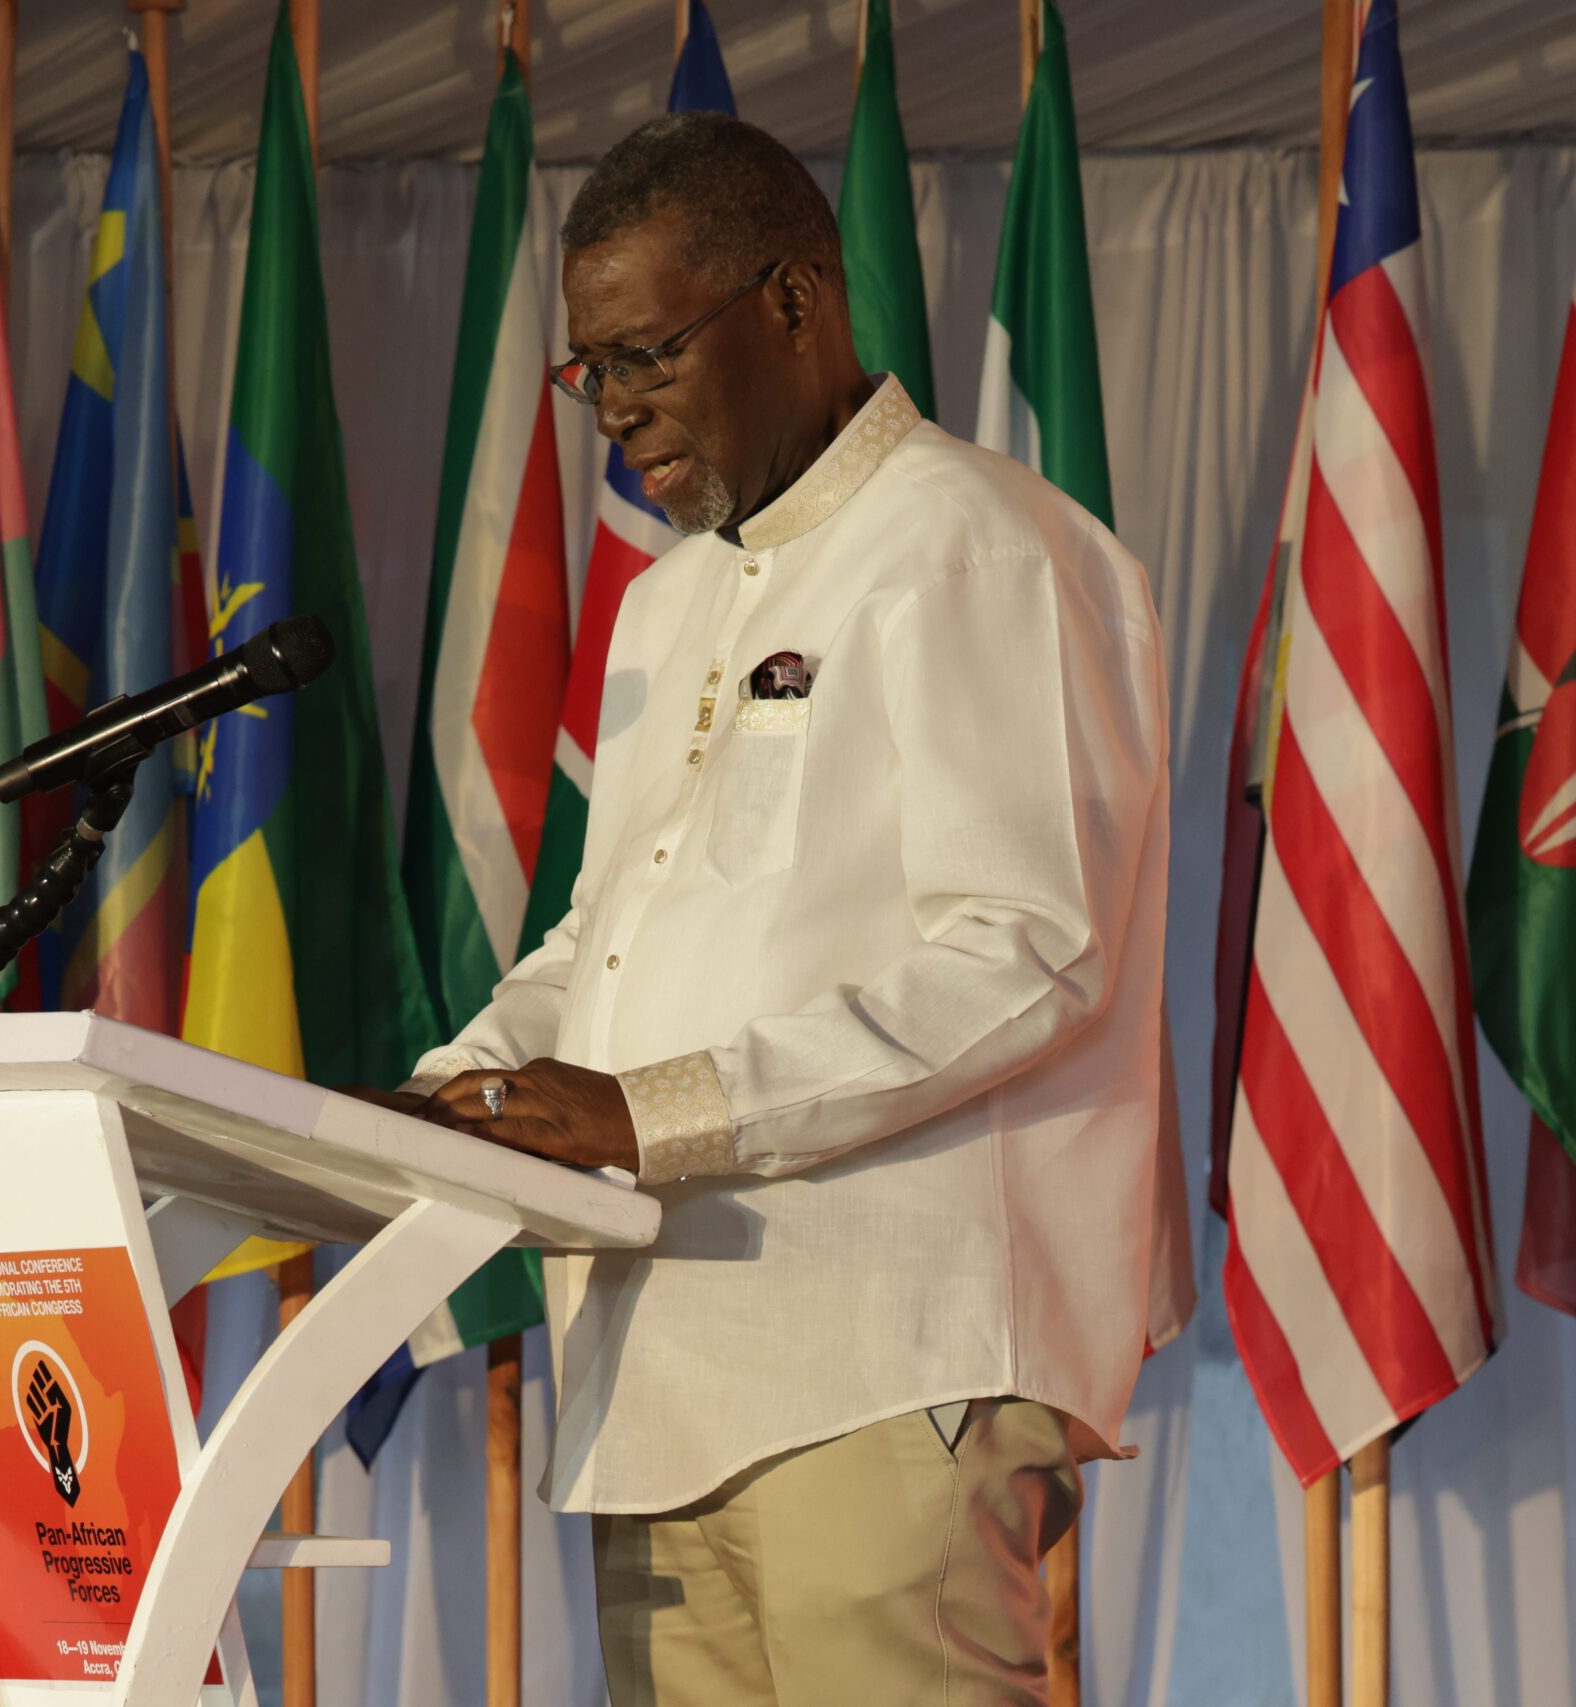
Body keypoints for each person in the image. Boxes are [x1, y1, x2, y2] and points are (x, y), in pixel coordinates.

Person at [363, 113, 1170, 1705]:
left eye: (646, 354)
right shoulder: (668, 603)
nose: (616, 411)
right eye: (590, 371)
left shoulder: (976, 544)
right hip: (659, 1378)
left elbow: (1028, 951)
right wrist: (452, 1097)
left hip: (883, 1359)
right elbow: (607, 942)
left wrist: (650, 1112)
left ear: (793, 300)